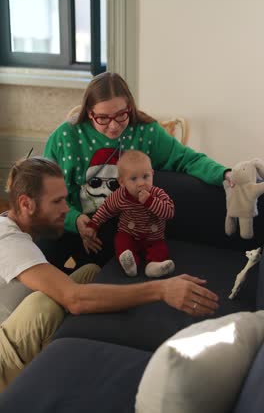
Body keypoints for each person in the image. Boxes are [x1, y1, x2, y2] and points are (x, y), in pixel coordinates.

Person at [0, 156, 219, 392]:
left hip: (13, 320)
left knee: (89, 272)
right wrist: (161, 290)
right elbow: (75, 299)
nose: (66, 208)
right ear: (26, 204)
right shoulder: (9, 242)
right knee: (43, 306)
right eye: (57, 201)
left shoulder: (18, 229)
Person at [39, 71, 232, 272]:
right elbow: (45, 192)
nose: (113, 126)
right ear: (89, 112)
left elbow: (187, 159)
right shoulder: (64, 136)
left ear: (129, 107)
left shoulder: (146, 132)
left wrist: (224, 174)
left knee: (91, 268)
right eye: (103, 118)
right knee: (41, 256)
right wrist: (75, 220)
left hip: (115, 224)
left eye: (121, 115)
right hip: (67, 216)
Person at [86, 150, 175, 278]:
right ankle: (130, 264)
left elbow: (169, 212)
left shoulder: (157, 194)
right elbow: (105, 209)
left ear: (152, 174)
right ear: (122, 182)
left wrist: (150, 201)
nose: (141, 183)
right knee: (121, 241)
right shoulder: (120, 196)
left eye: (145, 177)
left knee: (160, 248)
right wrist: (93, 224)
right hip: (129, 233)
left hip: (153, 237)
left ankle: (154, 266)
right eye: (133, 179)